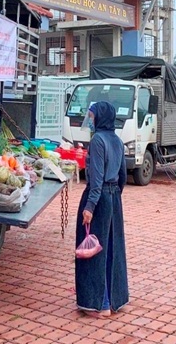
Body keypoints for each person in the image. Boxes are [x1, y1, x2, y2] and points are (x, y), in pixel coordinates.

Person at [75, 101, 129, 318]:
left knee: (94, 251)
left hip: (98, 198)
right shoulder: (117, 140)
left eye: (92, 116)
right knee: (113, 249)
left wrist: (90, 207)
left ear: (100, 118)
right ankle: (116, 300)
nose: (90, 120)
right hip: (114, 198)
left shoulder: (97, 140)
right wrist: (114, 196)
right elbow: (123, 175)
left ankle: (100, 304)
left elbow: (96, 180)